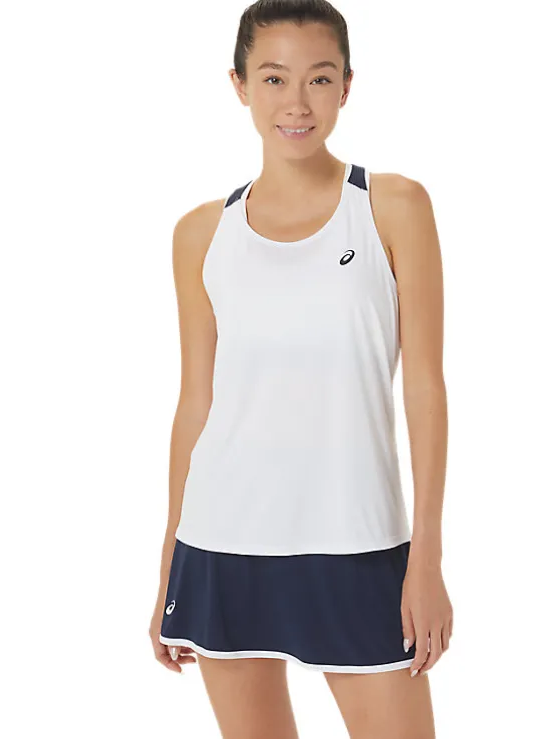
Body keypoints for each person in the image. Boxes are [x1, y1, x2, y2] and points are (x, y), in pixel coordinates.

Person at [148, 1, 452, 736]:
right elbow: (196, 405)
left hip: (357, 540)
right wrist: (169, 564)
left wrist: (427, 557)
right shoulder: (200, 234)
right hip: (223, 541)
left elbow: (424, 387)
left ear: (346, 85)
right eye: (273, 78)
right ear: (239, 85)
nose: (296, 102)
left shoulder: (392, 207)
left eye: (318, 79)